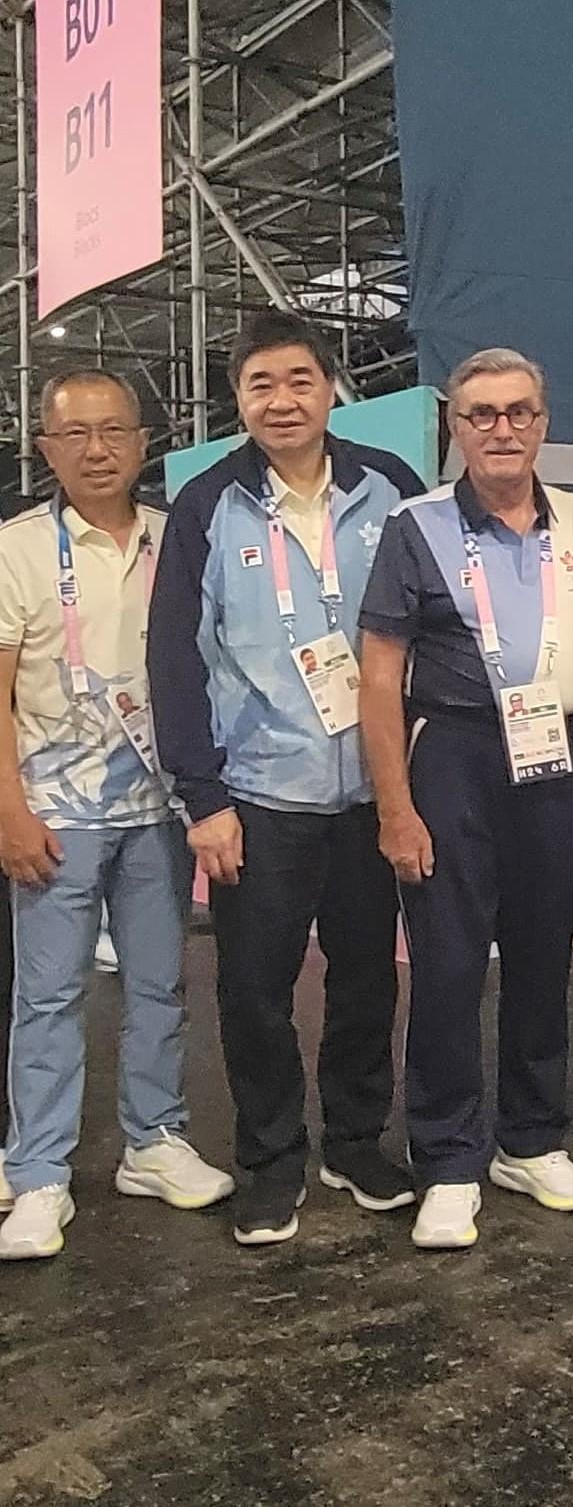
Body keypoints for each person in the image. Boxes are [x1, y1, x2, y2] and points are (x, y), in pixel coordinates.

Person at [150, 311, 422, 1248]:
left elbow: (432, 628)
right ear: (238, 399)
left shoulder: (389, 488)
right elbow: (175, 663)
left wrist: (412, 782)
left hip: (371, 794)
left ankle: (354, 1140)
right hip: (259, 798)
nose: (282, 400)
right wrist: (205, 798)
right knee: (255, 990)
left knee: (366, 981)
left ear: (331, 386)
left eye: (299, 380)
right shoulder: (205, 506)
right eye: (261, 384)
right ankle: (270, 1159)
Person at [358, 348, 573, 1252]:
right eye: (480, 415)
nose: (500, 429)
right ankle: (449, 1158)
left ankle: (532, 1141)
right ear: (455, 427)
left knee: (544, 958)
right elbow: (379, 679)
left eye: (518, 412)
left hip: (557, 754)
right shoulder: (414, 526)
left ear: (542, 422)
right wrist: (395, 807)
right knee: (451, 964)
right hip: (452, 752)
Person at [0, 372, 232, 1260]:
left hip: (160, 808)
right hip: (55, 813)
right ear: (47, 449)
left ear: (144, 444)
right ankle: (39, 1172)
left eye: (113, 433)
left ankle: (154, 1140)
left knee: (158, 985)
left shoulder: (181, 542)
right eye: (75, 436)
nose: (96, 451)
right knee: (48, 994)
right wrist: (11, 814)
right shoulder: (20, 550)